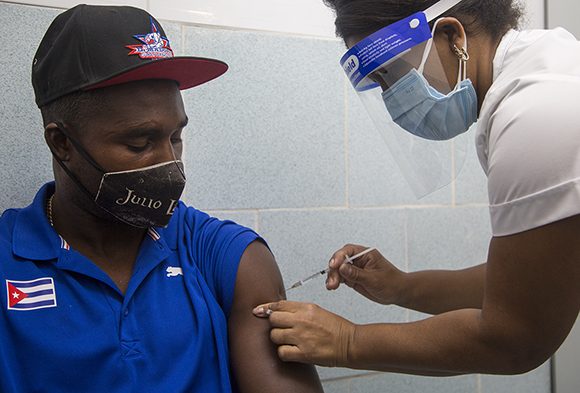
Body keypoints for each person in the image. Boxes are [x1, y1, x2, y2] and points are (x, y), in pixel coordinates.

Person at [0, 5, 323, 393]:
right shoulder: (8, 261)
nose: (170, 164)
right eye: (140, 143)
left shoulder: (229, 259)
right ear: (62, 143)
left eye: (175, 137)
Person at [254, 0, 580, 376]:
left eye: (391, 75)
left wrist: (346, 341)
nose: (394, 99)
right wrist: (400, 288)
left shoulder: (536, 113)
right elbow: (520, 286)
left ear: (451, 36)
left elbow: (514, 338)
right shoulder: (546, 70)